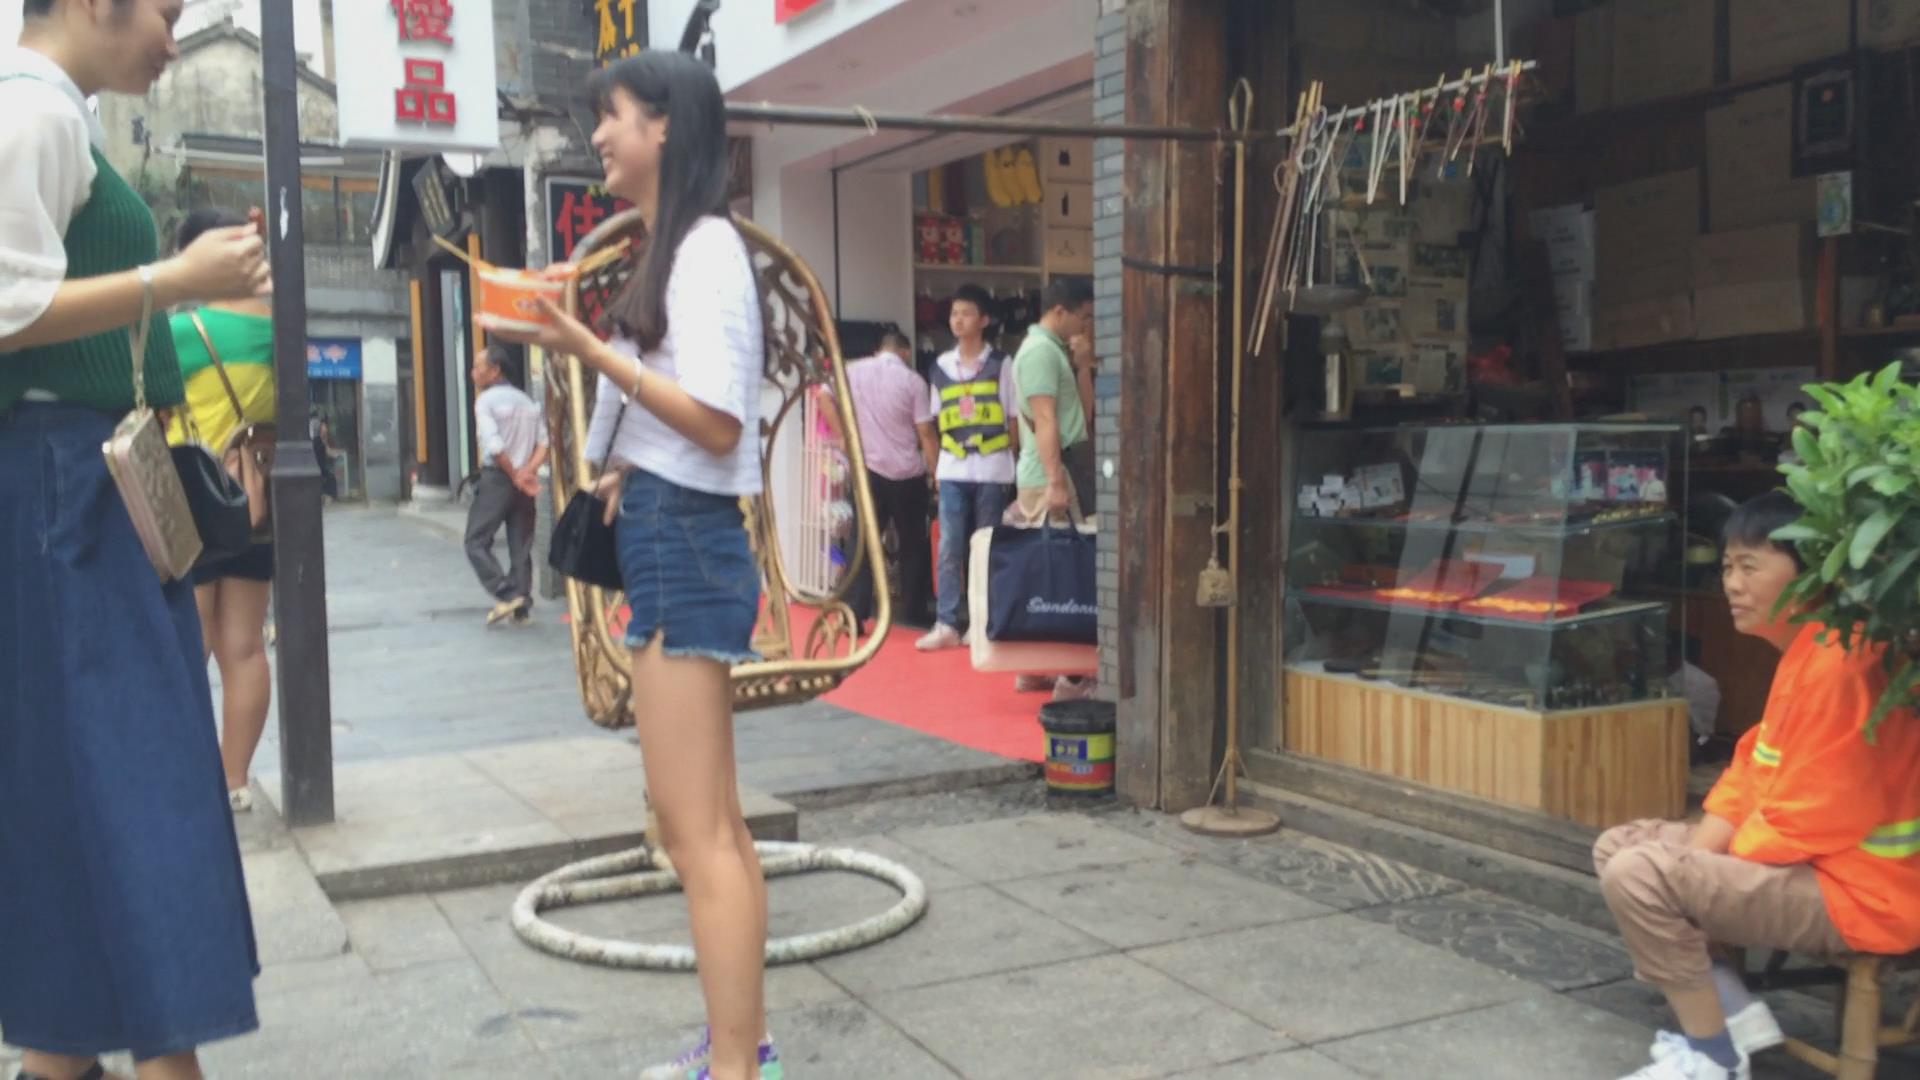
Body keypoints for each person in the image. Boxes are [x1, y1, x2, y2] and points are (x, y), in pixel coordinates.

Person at [478, 50, 781, 1080]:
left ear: (666, 127)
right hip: (669, 527)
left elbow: (720, 419)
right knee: (715, 828)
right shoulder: (681, 247)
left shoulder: (702, 250)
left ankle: (735, 1067)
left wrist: (588, 349)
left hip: (683, 537)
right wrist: (624, 467)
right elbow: (690, 420)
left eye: (610, 116)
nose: (598, 136)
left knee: (696, 835)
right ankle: (742, 1052)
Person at [1, 1, 270, 1077]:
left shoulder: (54, 110)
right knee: (138, 787)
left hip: (78, 485)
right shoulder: (33, 111)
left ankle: (65, 1054)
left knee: (86, 794)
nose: (170, 35)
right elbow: (7, 305)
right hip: (65, 488)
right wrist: (177, 279)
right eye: (166, 10)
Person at [1596, 492, 1920, 1080]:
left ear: (1813, 576)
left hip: (1863, 895)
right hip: (1817, 868)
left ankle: (1714, 1057)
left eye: (1750, 566)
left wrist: (1703, 870)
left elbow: (1813, 815)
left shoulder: (1843, 664)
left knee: (1640, 874)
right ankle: (1734, 1012)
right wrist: (1700, 859)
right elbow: (1751, 769)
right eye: (1727, 566)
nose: (1731, 583)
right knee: (1620, 846)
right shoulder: (1809, 651)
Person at [167, 207, 277, 813]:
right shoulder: (279, 331)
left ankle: (186, 780)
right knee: (245, 646)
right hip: (255, 502)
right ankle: (234, 782)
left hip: (191, 502)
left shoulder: (181, 333)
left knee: (191, 646)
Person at [916, 284, 1020, 652]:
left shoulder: (1002, 365)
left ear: (984, 320)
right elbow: (933, 422)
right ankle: (946, 622)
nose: (958, 320)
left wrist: (1012, 461)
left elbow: (1013, 419)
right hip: (953, 469)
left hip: (993, 469)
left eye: (966, 313)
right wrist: (935, 471)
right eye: (954, 313)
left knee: (986, 548)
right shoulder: (940, 367)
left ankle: (981, 623)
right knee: (949, 547)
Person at [1009, 277, 1098, 699]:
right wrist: (1055, 481)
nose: (1085, 325)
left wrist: (1083, 366)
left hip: (1064, 466)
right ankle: (1070, 677)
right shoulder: (1040, 352)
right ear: (1060, 311)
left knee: (1051, 570)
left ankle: (1039, 668)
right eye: (1083, 317)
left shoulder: (1053, 350)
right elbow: (1045, 419)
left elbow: (1080, 414)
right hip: (1055, 470)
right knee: (1067, 573)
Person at [825, 330, 936, 628]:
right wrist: (936, 471)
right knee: (912, 545)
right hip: (906, 473)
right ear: (905, 352)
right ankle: (913, 612)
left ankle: (855, 612)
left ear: (880, 350)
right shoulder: (913, 381)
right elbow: (925, 432)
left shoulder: (853, 370)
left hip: (867, 470)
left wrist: (843, 436)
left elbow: (822, 394)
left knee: (862, 542)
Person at [465, 344, 548, 626]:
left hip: (498, 478)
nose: (473, 372)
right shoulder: (527, 401)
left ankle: (506, 592)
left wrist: (514, 474)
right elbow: (544, 443)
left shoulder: (485, 402)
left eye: (478, 366)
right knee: (521, 543)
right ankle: (521, 607)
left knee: (475, 540)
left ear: (495, 370)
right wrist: (527, 472)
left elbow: (494, 445)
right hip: (524, 480)